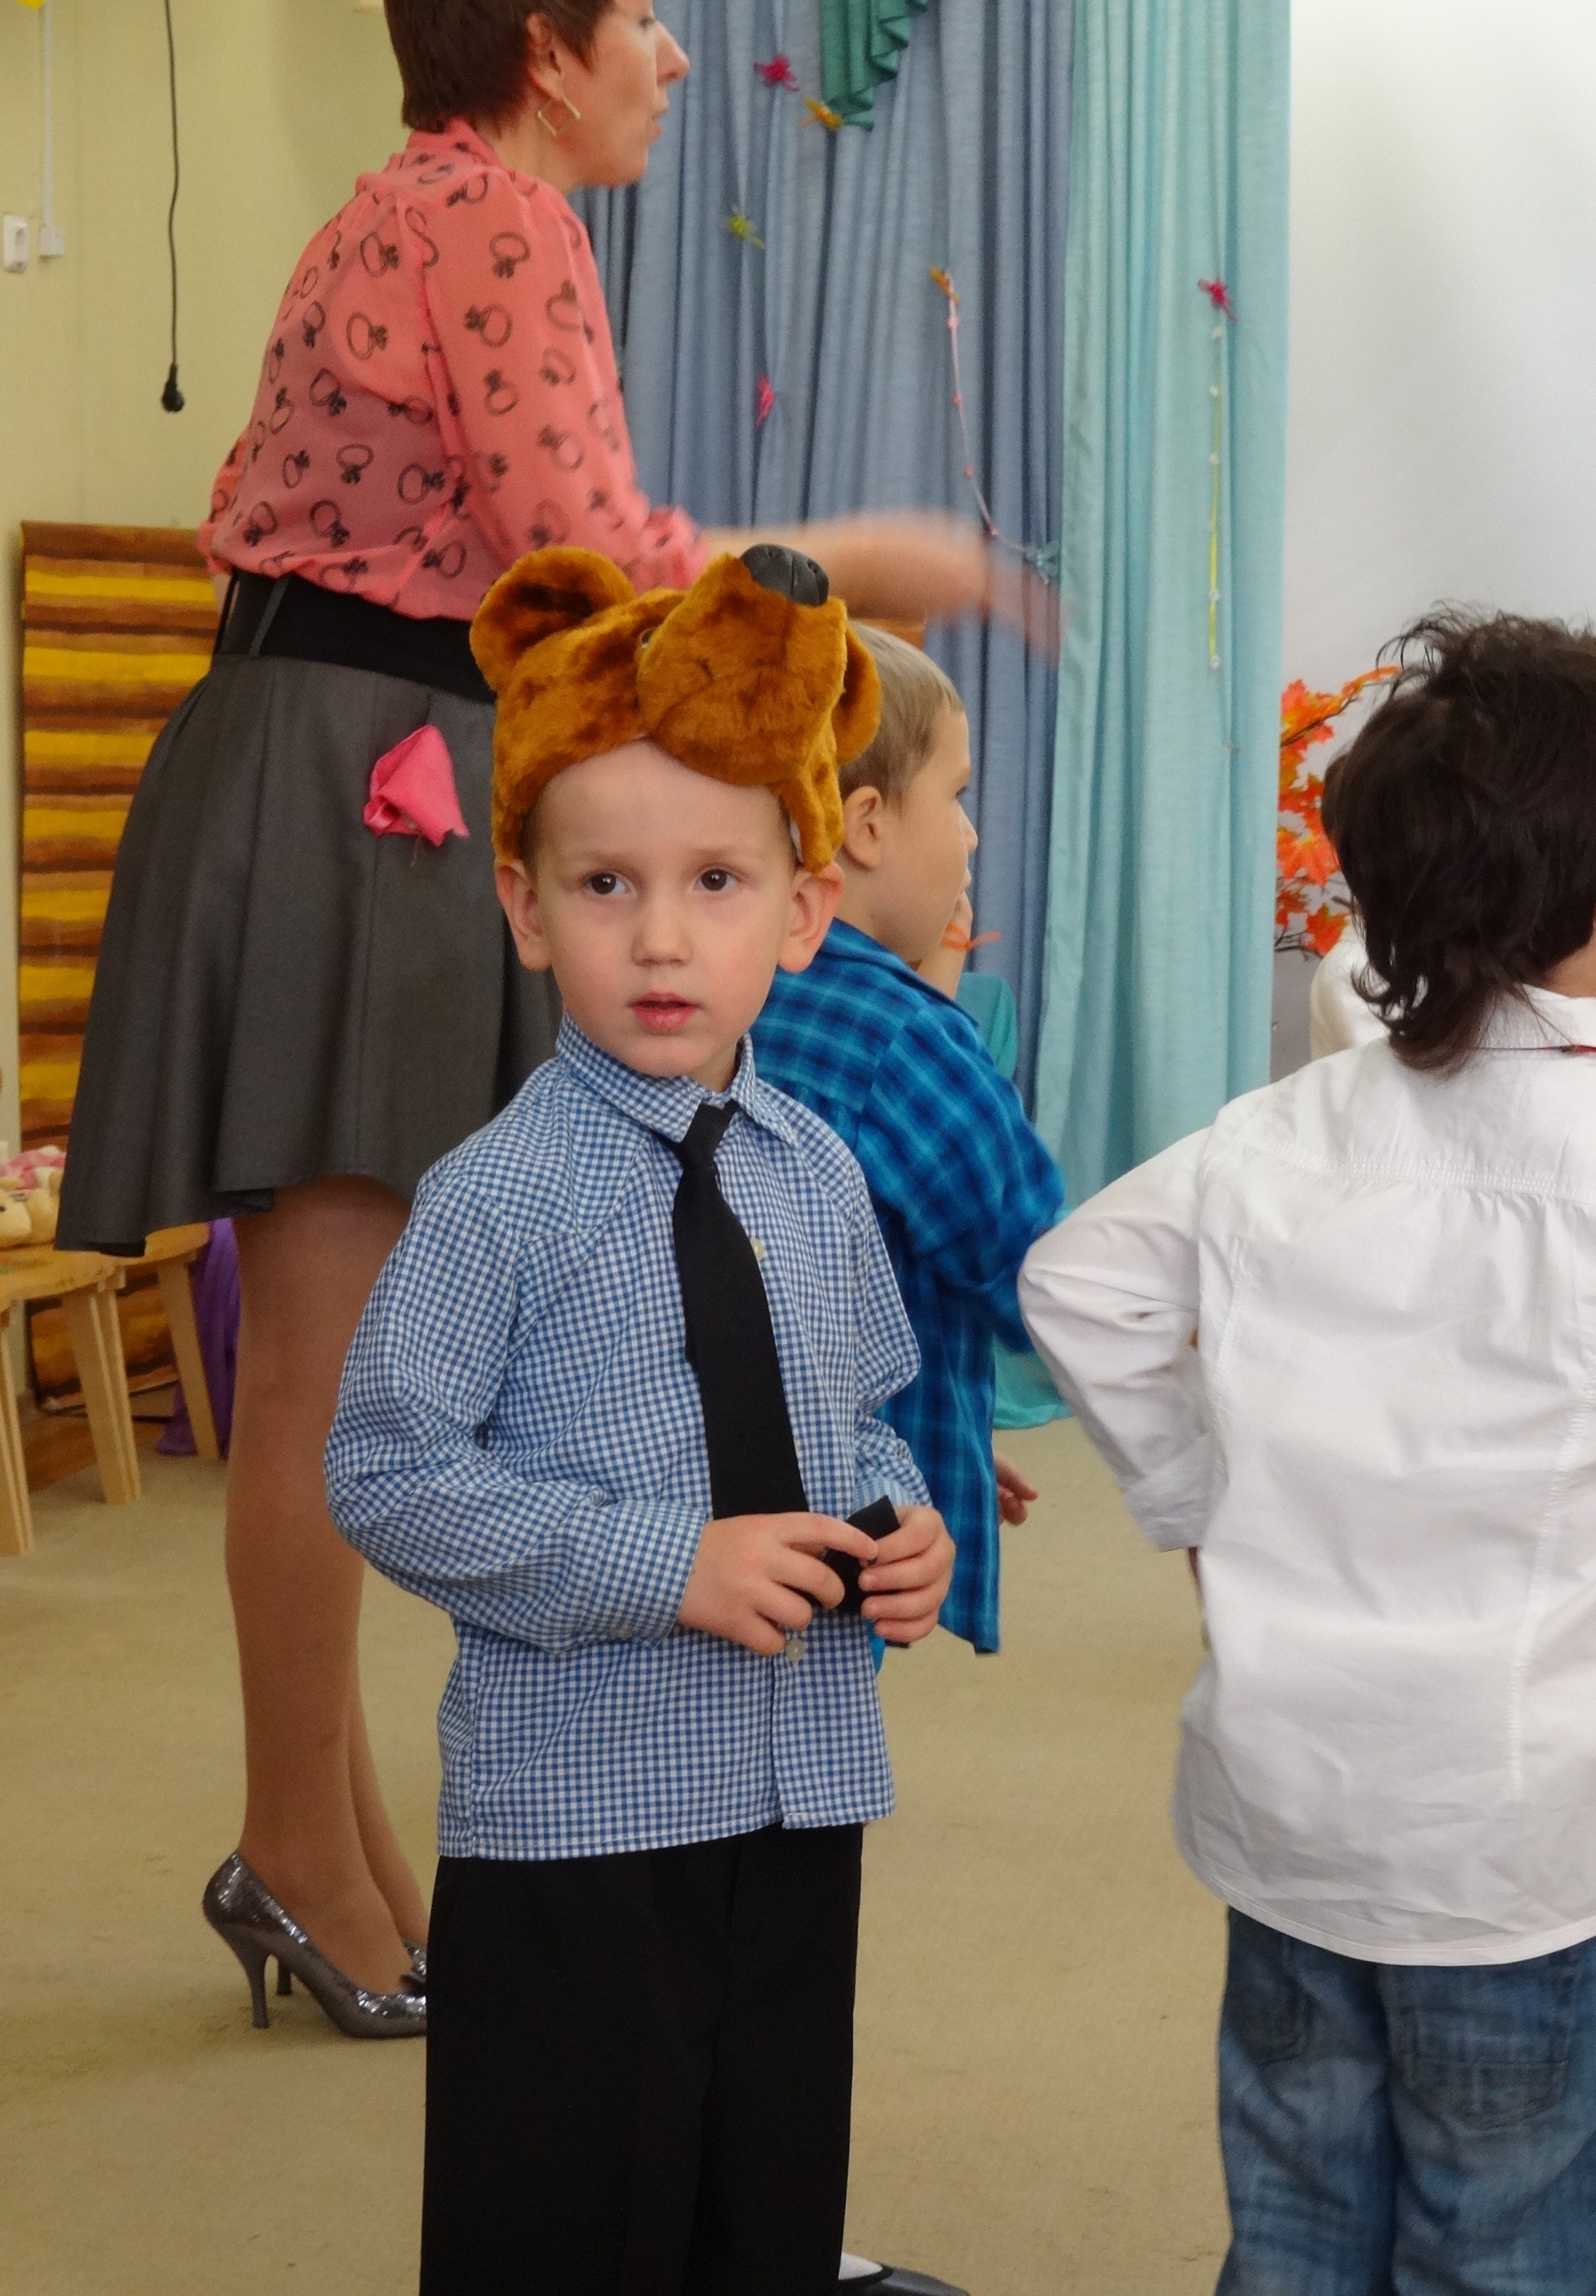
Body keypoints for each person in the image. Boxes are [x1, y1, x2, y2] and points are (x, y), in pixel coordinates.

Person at [58, 0, 1006, 2032]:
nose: (672, 53)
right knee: (323, 1373)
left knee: (329, 1360)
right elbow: (592, 566)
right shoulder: (495, 214)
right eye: (643, 16)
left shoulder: (426, 203)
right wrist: (846, 562)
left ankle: (334, 1856)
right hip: (358, 779)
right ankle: (301, 1856)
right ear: (547, 48)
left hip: (348, 757)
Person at [1021, 612, 1596, 2295]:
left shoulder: (1284, 1127)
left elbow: (1077, 1282)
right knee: (1515, 2248)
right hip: (1527, 1859)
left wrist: (1191, 1498)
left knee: (1298, 2227)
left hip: (1291, 1823)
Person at [324, 540, 954, 2292]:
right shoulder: (496, 1199)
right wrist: (661, 1563)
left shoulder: (817, 1172)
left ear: (803, 913)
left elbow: (856, 1420)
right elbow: (383, 1472)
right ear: (524, 907)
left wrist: (899, 1523)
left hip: (800, 1794)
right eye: (605, 884)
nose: (661, 936)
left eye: (716, 883)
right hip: (581, 1819)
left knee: (765, 2193)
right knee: (569, 2215)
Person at [752, 627, 1064, 1660]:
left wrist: (954, 1433)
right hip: (847, 1511)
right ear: (870, 825)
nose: (970, 836)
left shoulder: (736, 995)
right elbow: (1034, 1267)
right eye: (956, 796)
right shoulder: (909, 1044)